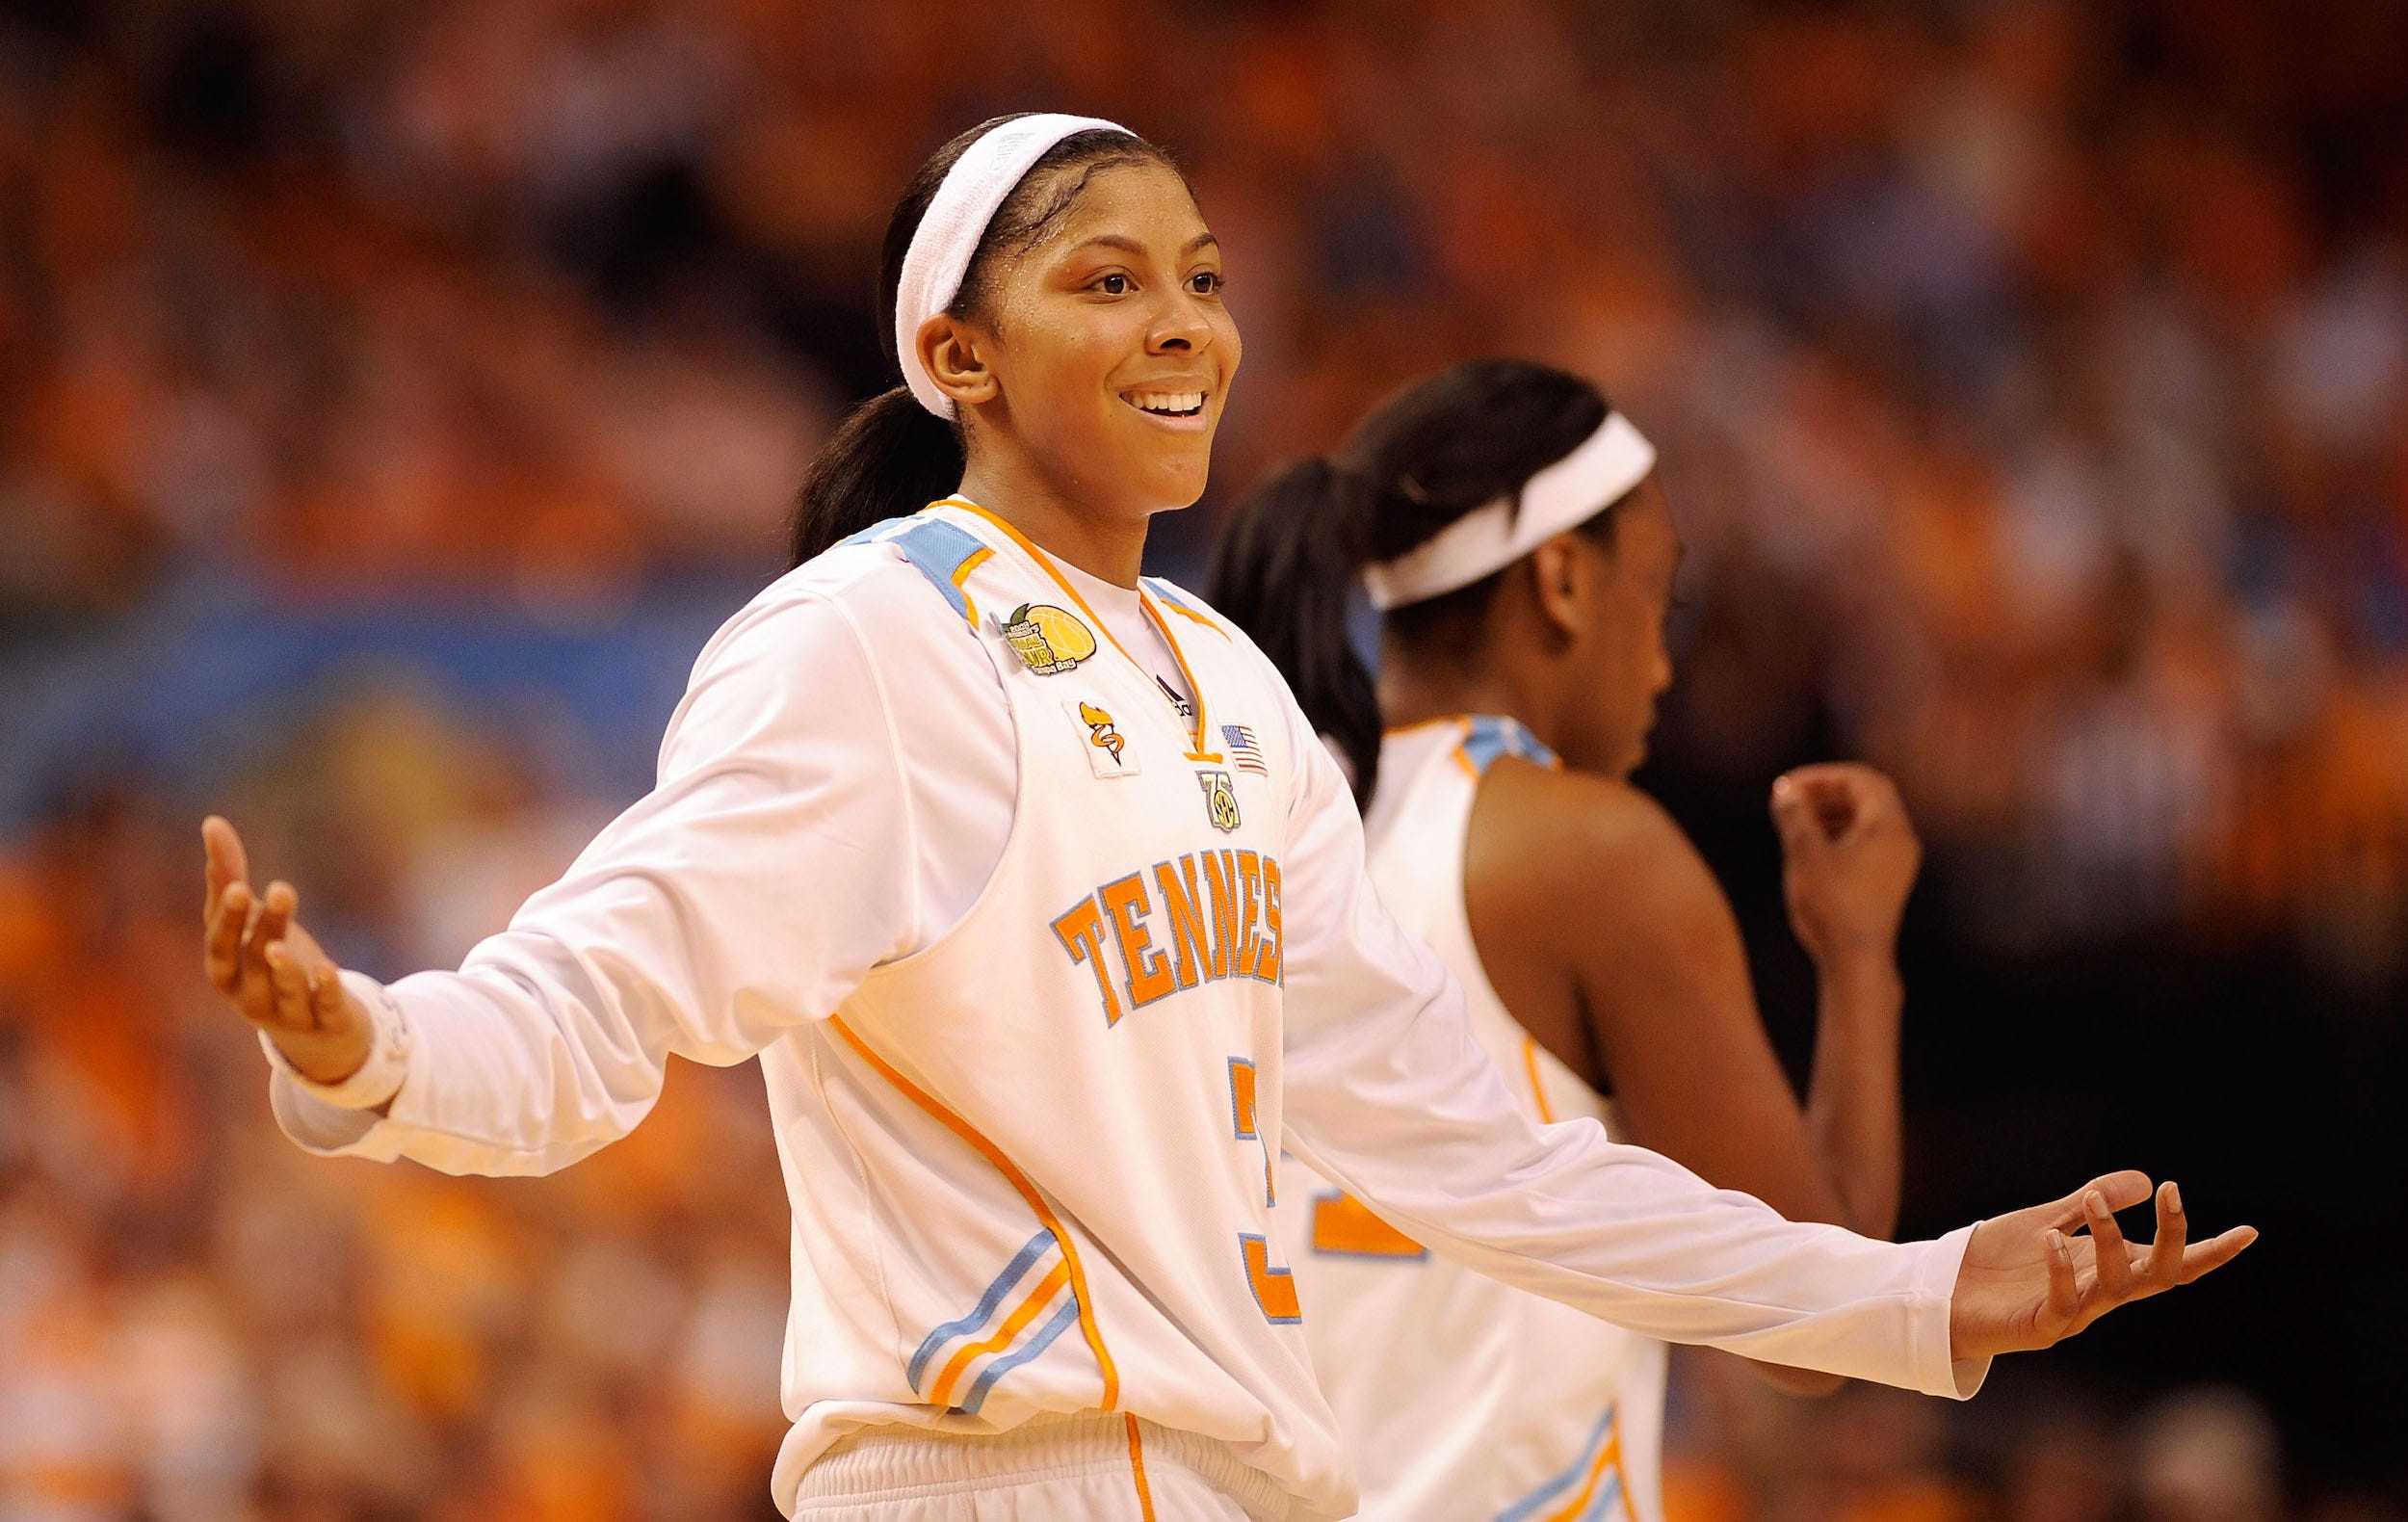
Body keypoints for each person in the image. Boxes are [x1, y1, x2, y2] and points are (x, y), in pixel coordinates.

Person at [199, 114, 2252, 1522]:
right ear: (954, 352)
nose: (1184, 321)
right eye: (1107, 281)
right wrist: (363, 1043)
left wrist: (1915, 1296)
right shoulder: (866, 642)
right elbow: (604, 983)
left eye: (1198, 274)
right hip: (995, 1479)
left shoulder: (1231, 692)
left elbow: (1489, 1158)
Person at [1212, 359, 1923, 1520]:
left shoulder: (1259, 815)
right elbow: (1819, 1321)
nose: (1658, 664)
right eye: (1660, 599)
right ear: (1559, 580)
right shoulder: (1588, 852)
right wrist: (1858, 956)